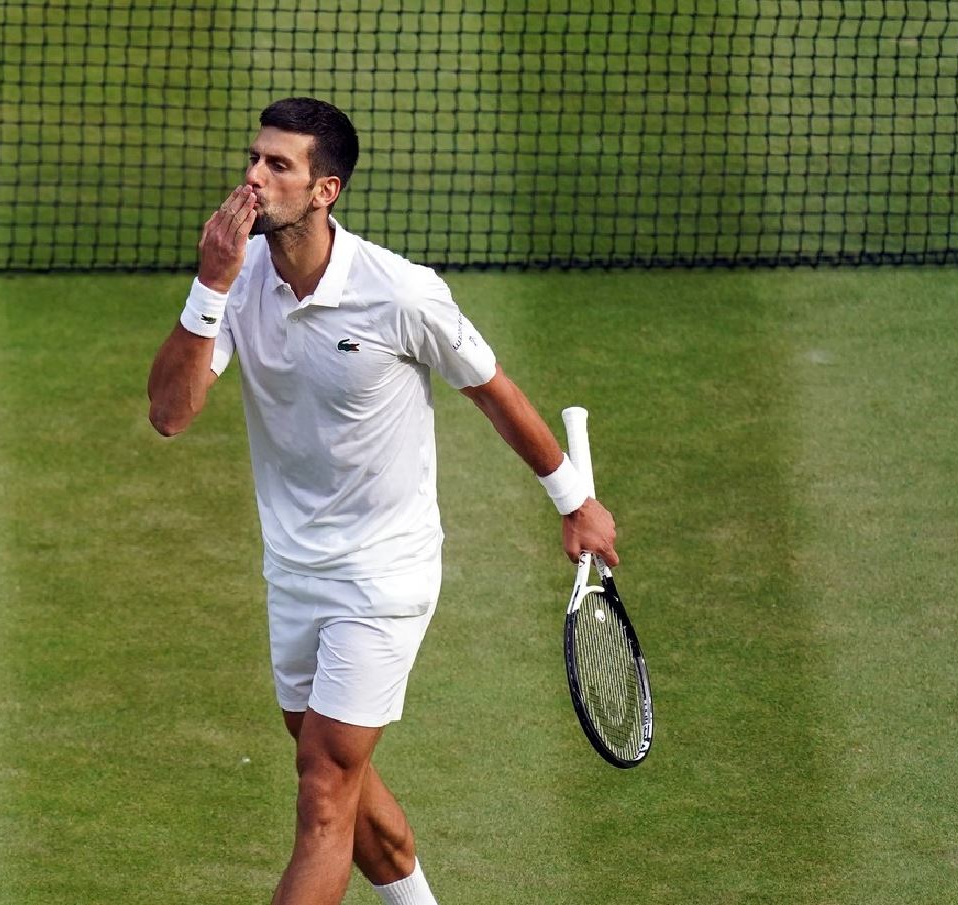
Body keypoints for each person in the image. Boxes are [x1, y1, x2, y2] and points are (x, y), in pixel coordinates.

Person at [147, 97, 617, 905]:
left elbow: (492, 390)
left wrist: (573, 500)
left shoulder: (403, 293)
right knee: (338, 774)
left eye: (278, 165)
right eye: (254, 159)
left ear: (325, 190)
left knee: (324, 792)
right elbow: (170, 413)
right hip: (293, 571)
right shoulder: (241, 280)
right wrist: (209, 282)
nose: (252, 178)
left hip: (383, 574)